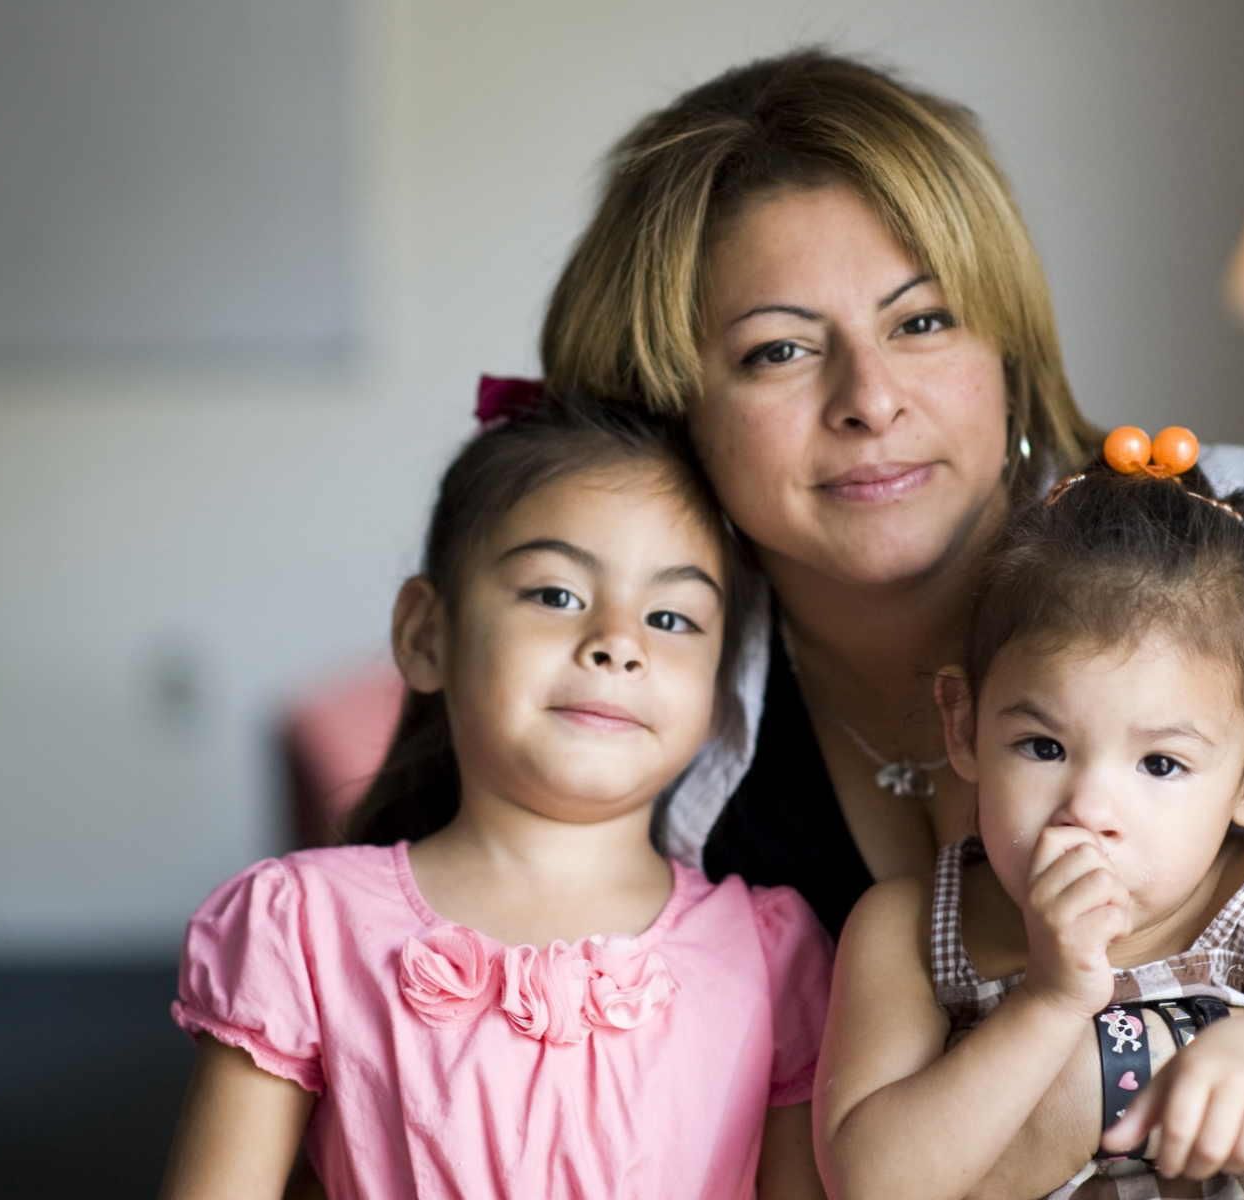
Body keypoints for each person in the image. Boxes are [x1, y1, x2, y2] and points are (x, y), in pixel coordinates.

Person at [540, 50, 1244, 1197]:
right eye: (778, 351)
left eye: (923, 320)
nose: (869, 399)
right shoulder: (634, 686)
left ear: (1006, 344)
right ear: (668, 407)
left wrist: (1102, 1082)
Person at [158, 396, 831, 1200]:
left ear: (724, 691)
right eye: (556, 595)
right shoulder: (302, 926)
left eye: (670, 616)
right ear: (426, 635)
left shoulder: (771, 954)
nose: (619, 643)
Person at [820, 439, 1244, 1199]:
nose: (1089, 809)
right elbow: (874, 1183)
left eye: (1160, 765)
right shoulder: (911, 928)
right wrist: (1050, 1001)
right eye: (1044, 746)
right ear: (964, 727)